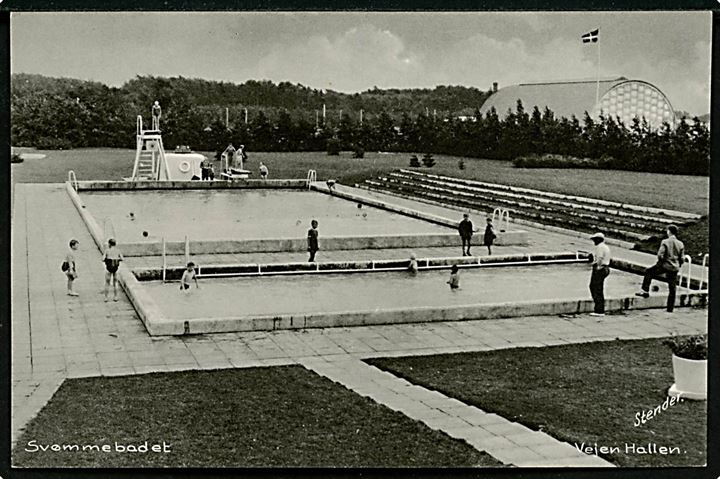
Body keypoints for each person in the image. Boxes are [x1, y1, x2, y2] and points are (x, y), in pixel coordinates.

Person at [636, 224, 685, 312]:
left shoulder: (665, 242)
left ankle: (645, 291)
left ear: (669, 231)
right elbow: (682, 258)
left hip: (665, 265)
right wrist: (678, 265)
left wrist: (660, 263)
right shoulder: (680, 244)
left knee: (649, 272)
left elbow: (660, 254)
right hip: (675, 267)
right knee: (672, 287)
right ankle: (670, 308)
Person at [589, 232, 611, 318]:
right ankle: (599, 308)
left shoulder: (600, 247)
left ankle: (599, 309)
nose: (594, 242)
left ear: (598, 240)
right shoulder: (605, 247)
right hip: (605, 268)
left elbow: (599, 259)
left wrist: (597, 267)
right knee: (599, 288)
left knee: (595, 288)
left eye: (594, 240)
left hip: (600, 268)